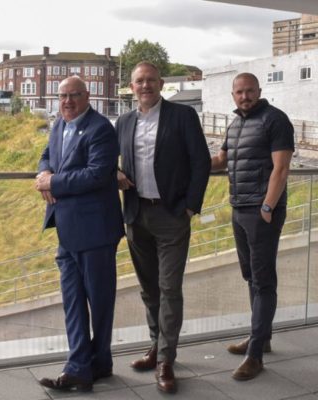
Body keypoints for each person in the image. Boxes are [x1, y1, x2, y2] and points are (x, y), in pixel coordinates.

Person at [116, 61, 211, 393]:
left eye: (151, 80)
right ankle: (156, 344)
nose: (146, 86)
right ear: (132, 87)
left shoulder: (182, 117)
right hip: (136, 213)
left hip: (171, 215)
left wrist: (190, 205)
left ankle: (166, 361)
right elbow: (108, 158)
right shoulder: (124, 122)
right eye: (139, 81)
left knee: (170, 288)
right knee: (149, 288)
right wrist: (114, 173)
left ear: (161, 84)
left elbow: (201, 162)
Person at [35, 76, 124, 392]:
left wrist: (53, 184)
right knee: (72, 302)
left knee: (100, 302)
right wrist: (44, 171)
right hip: (67, 230)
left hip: (96, 230)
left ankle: (98, 363)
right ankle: (80, 366)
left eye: (74, 95)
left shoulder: (101, 129)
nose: (67, 101)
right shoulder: (59, 124)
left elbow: (99, 174)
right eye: (63, 96)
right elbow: (48, 154)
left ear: (88, 96)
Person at [211, 72, 294, 381]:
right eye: (239, 92)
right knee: (250, 277)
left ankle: (255, 354)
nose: (244, 96)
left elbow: (282, 168)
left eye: (249, 91)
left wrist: (268, 207)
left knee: (263, 281)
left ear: (259, 91)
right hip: (238, 208)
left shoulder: (275, 120)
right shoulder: (234, 125)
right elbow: (221, 160)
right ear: (233, 95)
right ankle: (261, 336)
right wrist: (186, 162)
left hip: (261, 212)